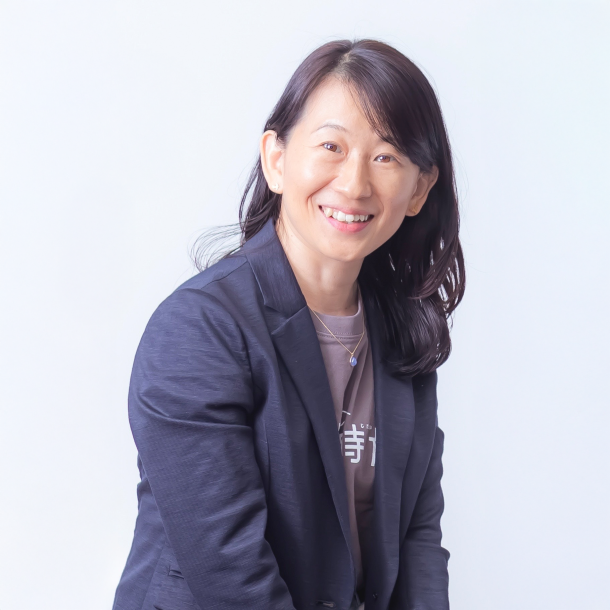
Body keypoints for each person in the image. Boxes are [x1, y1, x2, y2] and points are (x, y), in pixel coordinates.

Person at [112, 38, 465, 610]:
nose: (354, 184)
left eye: (387, 156)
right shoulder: (200, 328)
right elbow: (230, 571)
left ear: (419, 188)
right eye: (331, 146)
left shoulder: (402, 335)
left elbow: (418, 544)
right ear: (276, 159)